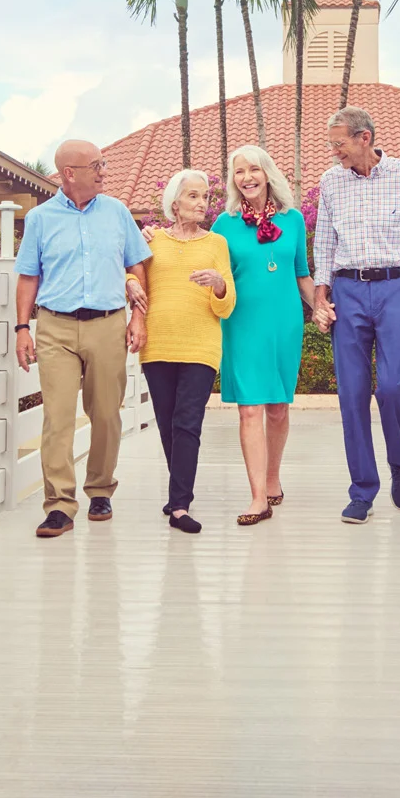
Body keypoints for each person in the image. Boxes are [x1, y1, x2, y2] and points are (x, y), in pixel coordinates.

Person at [311, 107, 400, 524]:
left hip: (397, 288)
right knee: (352, 394)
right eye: (332, 144)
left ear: (364, 138)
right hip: (348, 290)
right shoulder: (331, 181)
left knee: (393, 386)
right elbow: (325, 243)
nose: (335, 152)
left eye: (340, 143)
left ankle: (398, 461)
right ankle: (362, 491)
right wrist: (321, 295)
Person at [14, 139, 151, 538]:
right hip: (55, 326)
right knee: (57, 418)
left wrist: (138, 317)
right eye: (97, 165)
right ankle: (59, 504)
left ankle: (101, 490)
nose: (104, 171)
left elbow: (137, 265)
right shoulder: (40, 218)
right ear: (70, 173)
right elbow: (28, 276)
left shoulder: (117, 211)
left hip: (108, 323)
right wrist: (23, 328)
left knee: (106, 413)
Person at [210, 144, 313, 525]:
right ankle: (257, 498)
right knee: (249, 407)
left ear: (268, 173)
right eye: (239, 172)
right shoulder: (223, 225)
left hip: (284, 321)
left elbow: (301, 272)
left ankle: (272, 478)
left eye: (254, 169)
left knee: (277, 407)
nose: (247, 177)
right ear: (233, 180)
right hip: (241, 323)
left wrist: (318, 306)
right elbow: (208, 271)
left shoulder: (294, 220)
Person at [131, 169, 235, 534]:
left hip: (201, 345)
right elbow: (133, 275)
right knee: (166, 422)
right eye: (193, 196)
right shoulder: (152, 240)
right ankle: (178, 493)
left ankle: (179, 505)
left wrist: (219, 284)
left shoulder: (216, 244)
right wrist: (131, 282)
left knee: (188, 421)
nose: (201, 203)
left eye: (205, 196)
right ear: (174, 203)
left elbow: (227, 305)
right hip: (158, 343)